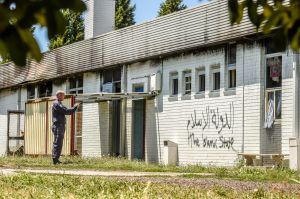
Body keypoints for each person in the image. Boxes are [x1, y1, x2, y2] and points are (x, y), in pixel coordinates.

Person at [52, 90, 80, 164]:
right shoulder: (57, 104)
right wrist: (75, 107)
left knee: (58, 142)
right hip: (58, 125)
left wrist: (74, 108)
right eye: (63, 95)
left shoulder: (58, 103)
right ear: (58, 95)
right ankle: (55, 160)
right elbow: (67, 111)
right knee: (58, 142)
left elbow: (66, 110)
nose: (64, 96)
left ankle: (56, 159)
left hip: (59, 125)